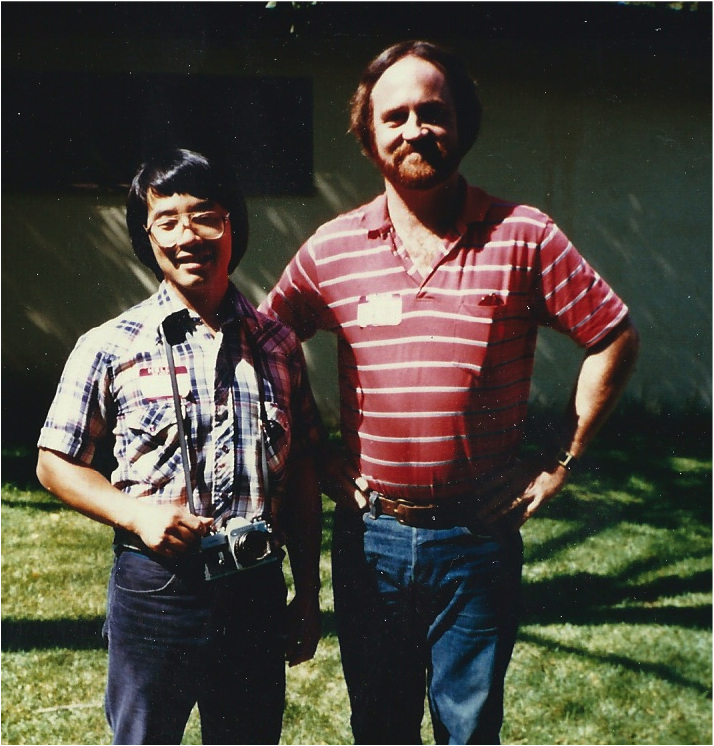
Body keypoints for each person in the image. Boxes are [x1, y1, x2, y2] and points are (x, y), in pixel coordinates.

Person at [259, 41, 639, 745]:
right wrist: (316, 448)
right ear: (368, 139)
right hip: (369, 535)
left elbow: (613, 334)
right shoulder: (331, 249)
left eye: (433, 112)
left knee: (469, 730)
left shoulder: (526, 236)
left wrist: (560, 456)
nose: (415, 130)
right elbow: (265, 349)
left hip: (478, 540)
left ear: (462, 122)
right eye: (394, 116)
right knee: (379, 727)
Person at [36, 148, 323, 745]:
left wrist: (308, 591)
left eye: (204, 215)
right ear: (147, 238)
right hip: (156, 589)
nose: (186, 234)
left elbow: (300, 474)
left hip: (256, 589)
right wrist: (136, 512)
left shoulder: (279, 346)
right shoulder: (108, 345)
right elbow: (55, 462)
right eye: (165, 219)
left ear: (232, 225)